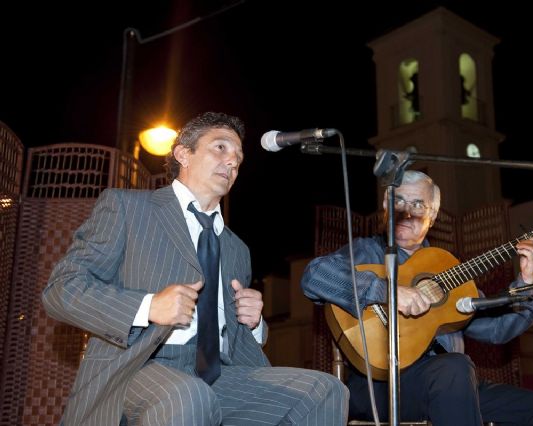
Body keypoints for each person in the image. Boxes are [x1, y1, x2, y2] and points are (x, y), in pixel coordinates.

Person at [42, 111, 348, 426]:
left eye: (239, 158)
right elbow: (62, 289)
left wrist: (254, 324)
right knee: (189, 395)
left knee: (325, 390)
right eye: (220, 148)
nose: (233, 162)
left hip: (219, 374)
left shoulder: (236, 249)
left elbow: (231, 334)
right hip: (138, 366)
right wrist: (148, 306)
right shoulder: (128, 208)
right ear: (183, 154)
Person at [301, 170, 533, 425]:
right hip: (380, 386)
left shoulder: (446, 268)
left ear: (433, 216)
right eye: (398, 201)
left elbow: (499, 329)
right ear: (385, 207)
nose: (407, 211)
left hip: (451, 383)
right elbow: (314, 277)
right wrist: (386, 291)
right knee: (455, 368)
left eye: (417, 204)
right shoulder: (368, 251)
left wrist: (526, 282)